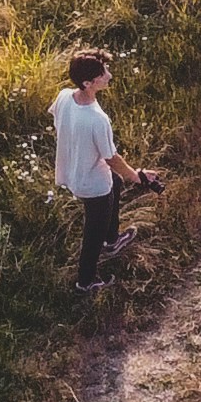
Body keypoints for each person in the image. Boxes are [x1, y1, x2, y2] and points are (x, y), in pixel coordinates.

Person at [53, 49, 157, 291]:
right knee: (92, 235)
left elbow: (60, 122)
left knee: (116, 183)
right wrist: (138, 176)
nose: (109, 76)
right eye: (103, 74)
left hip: (73, 171)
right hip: (93, 185)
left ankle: (113, 241)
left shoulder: (64, 97)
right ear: (88, 83)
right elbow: (112, 158)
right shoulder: (97, 119)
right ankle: (86, 282)